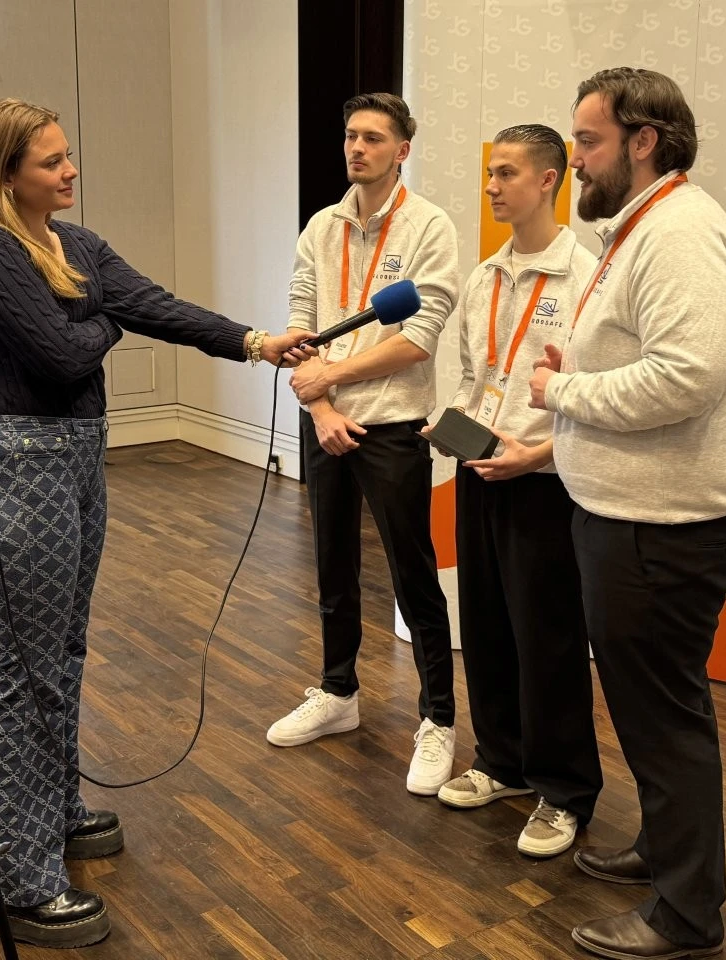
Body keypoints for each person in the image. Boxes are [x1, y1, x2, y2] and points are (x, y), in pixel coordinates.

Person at [0, 97, 315, 948]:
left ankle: (55, 807)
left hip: (78, 456)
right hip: (22, 463)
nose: (70, 170)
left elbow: (159, 304)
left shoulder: (75, 245)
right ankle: (15, 879)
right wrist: (106, 314)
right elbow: (63, 355)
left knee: (66, 649)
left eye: (68, 154)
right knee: (25, 671)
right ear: (7, 172)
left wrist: (255, 341)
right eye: (51, 161)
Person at [529, 68, 726, 960]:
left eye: (587, 141)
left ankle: (687, 913)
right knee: (651, 710)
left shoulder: (677, 233)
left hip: (661, 531)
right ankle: (669, 854)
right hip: (636, 519)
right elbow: (654, 355)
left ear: (643, 142)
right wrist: (585, 370)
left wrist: (566, 390)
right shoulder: (648, 225)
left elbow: (686, 376)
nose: (575, 159)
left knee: (666, 720)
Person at [268, 92, 461, 797]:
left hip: (393, 425)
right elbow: (300, 330)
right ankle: (337, 692)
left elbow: (417, 338)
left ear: (402, 150)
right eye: (351, 135)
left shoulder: (429, 226)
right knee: (332, 566)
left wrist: (330, 377)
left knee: (413, 575)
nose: (357, 148)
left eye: (373, 138)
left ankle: (438, 719)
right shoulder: (321, 227)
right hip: (326, 422)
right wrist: (320, 404)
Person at [430, 124, 602, 858]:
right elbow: (477, 377)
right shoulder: (485, 277)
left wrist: (539, 454)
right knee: (486, 624)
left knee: (548, 637)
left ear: (548, 180)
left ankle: (564, 791)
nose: (492, 187)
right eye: (489, 173)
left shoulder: (587, 277)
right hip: (480, 472)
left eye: (506, 173)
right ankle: (501, 760)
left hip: (546, 482)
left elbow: (594, 397)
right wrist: (455, 428)